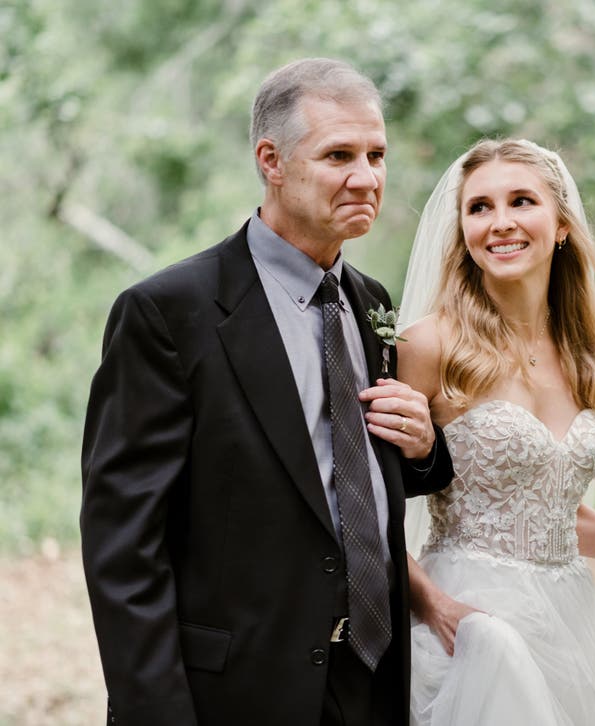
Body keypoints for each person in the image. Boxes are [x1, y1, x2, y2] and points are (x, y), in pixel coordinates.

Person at [80, 58, 454, 726]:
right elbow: (124, 548)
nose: (366, 178)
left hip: (373, 682)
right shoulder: (167, 313)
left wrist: (423, 448)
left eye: (376, 155)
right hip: (237, 692)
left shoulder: (372, 303)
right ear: (271, 161)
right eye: (339, 154)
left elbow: (356, 473)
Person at [395, 138, 595, 725]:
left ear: (562, 224)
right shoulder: (429, 344)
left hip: (570, 616)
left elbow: (549, 509)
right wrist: (436, 607)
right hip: (473, 623)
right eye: (480, 207)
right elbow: (371, 511)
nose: (501, 223)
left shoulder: (583, 353)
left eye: (521, 201)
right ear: (462, 229)